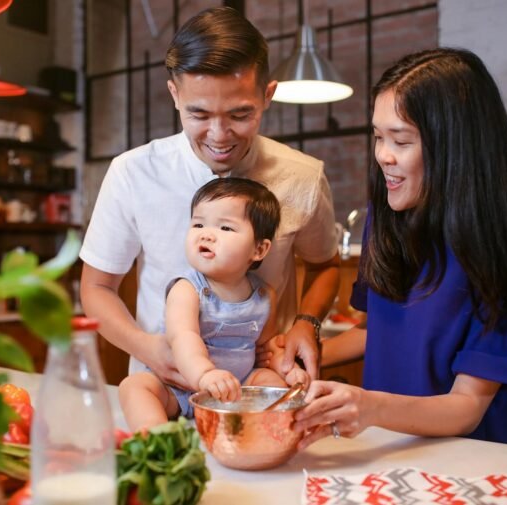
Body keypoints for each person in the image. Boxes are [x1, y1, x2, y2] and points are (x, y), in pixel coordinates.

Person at [293, 48, 507, 449]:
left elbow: (466, 406)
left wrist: (368, 407)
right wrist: (302, 356)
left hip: (473, 472)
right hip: (389, 457)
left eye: (400, 140)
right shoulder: (386, 220)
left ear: (456, 147)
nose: (382, 156)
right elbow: (381, 334)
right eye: (377, 137)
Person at [79, 7, 340, 393]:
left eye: (240, 114)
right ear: (175, 94)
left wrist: (308, 322)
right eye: (198, 113)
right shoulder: (132, 172)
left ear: (267, 96)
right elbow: (97, 289)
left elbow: (326, 266)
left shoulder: (301, 175)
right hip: (164, 389)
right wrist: (150, 350)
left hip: (262, 393)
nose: (219, 135)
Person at [119, 178, 310, 430]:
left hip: (237, 389)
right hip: (181, 387)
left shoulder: (264, 296)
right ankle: (155, 435)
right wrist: (204, 375)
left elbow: (265, 348)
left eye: (226, 228)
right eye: (198, 224)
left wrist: (286, 370)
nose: (206, 234)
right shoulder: (187, 289)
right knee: (135, 386)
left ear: (259, 249)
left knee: (272, 383)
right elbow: (183, 337)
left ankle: (265, 430)